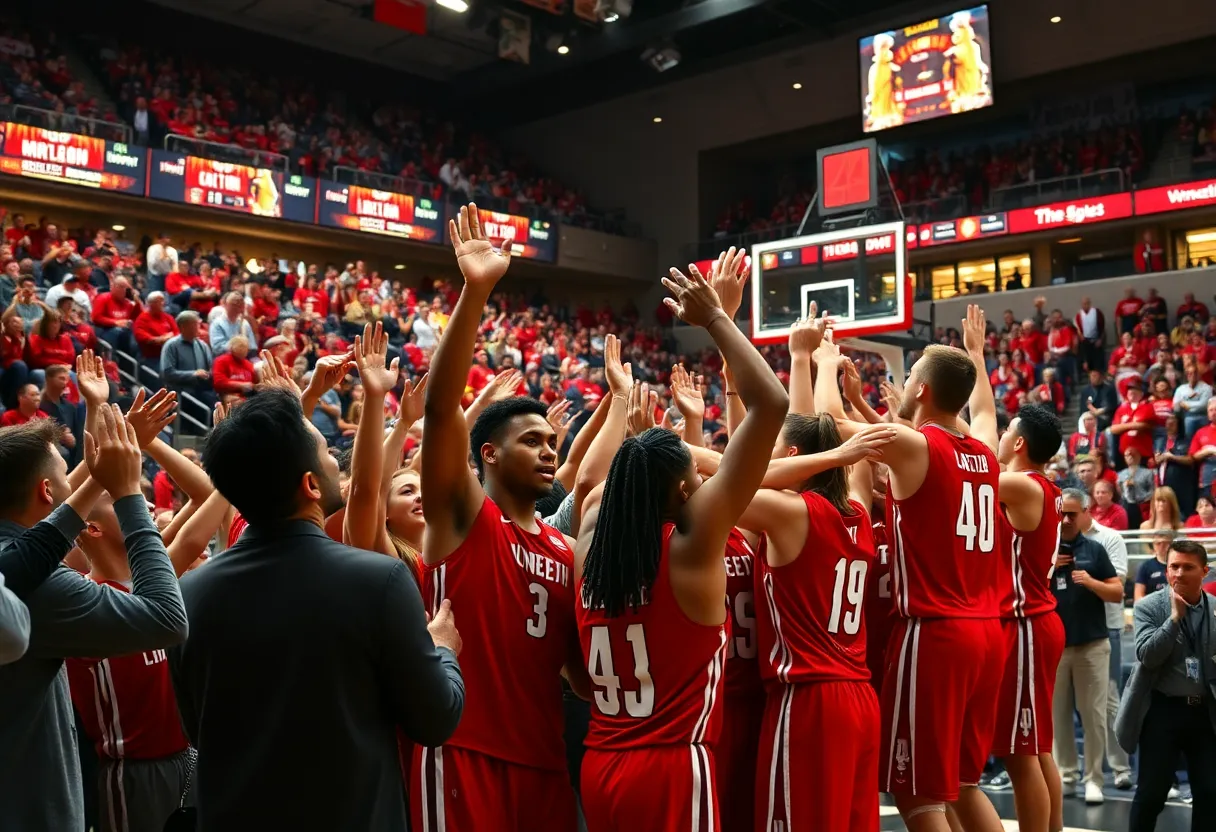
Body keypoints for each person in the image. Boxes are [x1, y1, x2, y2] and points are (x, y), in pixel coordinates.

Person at [168, 389, 464, 831]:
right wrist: (443, 650)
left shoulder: (188, 593)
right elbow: (436, 718)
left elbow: (197, 730)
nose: (333, 462)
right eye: (327, 453)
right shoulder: (379, 580)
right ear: (309, 484)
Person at [575, 248, 788, 832]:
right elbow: (773, 403)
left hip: (600, 765)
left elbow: (598, 482)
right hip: (671, 765)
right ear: (677, 491)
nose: (705, 484)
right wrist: (719, 318)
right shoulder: (694, 545)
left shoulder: (588, 543)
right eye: (695, 479)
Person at [415, 204, 583, 831]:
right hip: (463, 749)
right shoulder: (463, 513)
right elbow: (439, 411)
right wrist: (477, 290)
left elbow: (581, 676)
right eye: (532, 441)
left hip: (542, 759)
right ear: (488, 453)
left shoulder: (566, 550)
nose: (549, 450)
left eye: (552, 442)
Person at [816, 315, 1003, 831]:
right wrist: (976, 358)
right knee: (963, 786)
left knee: (916, 794)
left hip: (937, 633)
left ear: (919, 389)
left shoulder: (918, 447)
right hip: (988, 633)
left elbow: (835, 432)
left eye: (912, 373)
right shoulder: (986, 455)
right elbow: (981, 411)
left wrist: (826, 364)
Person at [0, 404, 188, 832]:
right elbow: (167, 619)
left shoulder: (19, 560)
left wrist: (107, 474)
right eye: (70, 474)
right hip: (30, 809)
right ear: (47, 491)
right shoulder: (47, 589)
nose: (77, 482)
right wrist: (128, 496)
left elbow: (39, 544)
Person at [734, 407, 888, 832]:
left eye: (773, 449)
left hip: (808, 700)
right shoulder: (858, 511)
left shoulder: (791, 513)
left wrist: (835, 454)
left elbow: (728, 481)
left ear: (794, 455)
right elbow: (853, 462)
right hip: (859, 696)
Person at [1122, 539, 1216, 831]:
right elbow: (1148, 657)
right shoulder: (1149, 607)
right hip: (1162, 711)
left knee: (1210, 793)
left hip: (1205, 712)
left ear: (1204, 572)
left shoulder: (1214, 609)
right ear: (1166, 571)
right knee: (1151, 795)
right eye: (1173, 566)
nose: (1178, 573)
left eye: (1188, 567)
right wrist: (1175, 619)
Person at [1051, 488, 1125, 805]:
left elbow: (1117, 592)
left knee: (1093, 716)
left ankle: (1093, 778)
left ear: (1084, 513)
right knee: (1057, 716)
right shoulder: (1042, 550)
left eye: (1072, 513)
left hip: (1092, 645)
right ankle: (1065, 776)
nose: (1066, 519)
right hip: (1054, 647)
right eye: (1062, 513)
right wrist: (1048, 567)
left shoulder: (1094, 549)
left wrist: (1090, 581)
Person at [1134, 530, 1176, 602]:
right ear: (1153, 545)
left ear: (1172, 544)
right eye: (1158, 543)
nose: (1162, 546)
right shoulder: (1146, 566)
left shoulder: (1179, 564)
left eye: (1166, 543)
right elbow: (1138, 596)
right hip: (1153, 606)